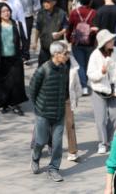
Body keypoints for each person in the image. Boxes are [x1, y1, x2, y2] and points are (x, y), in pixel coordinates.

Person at [28, 41, 70, 183]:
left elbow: (65, 89)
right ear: (56, 54)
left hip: (59, 114)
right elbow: (32, 89)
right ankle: (35, 158)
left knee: (57, 144)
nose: (67, 56)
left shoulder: (65, 68)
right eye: (65, 53)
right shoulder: (43, 69)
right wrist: (39, 108)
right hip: (43, 114)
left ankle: (53, 169)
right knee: (40, 141)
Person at [0, 2, 29, 115]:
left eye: (8, 10)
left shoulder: (17, 24)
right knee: (1, 83)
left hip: (15, 58)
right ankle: (3, 104)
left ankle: (15, 104)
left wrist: (24, 55)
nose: (6, 13)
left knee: (16, 82)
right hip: (0, 59)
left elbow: (24, 39)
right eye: (3, 11)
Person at [88, 29, 116, 154]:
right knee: (101, 119)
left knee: (115, 116)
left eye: (112, 39)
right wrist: (101, 73)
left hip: (114, 90)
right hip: (99, 91)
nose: (113, 41)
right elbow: (90, 75)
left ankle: (109, 139)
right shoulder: (95, 55)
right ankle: (102, 143)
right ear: (104, 42)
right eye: (110, 40)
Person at [67, 0, 97, 96]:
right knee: (89, 64)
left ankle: (84, 87)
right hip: (90, 42)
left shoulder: (74, 12)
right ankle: (87, 83)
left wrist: (68, 39)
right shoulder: (94, 13)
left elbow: (69, 27)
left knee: (80, 65)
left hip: (77, 42)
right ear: (90, 1)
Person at [32, 0, 68, 67]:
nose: (45, 4)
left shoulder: (61, 13)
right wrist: (35, 42)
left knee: (57, 67)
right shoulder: (41, 13)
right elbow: (38, 28)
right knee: (42, 67)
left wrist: (60, 33)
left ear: (54, 2)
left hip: (57, 47)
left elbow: (66, 26)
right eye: (44, 2)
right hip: (44, 45)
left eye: (48, 2)